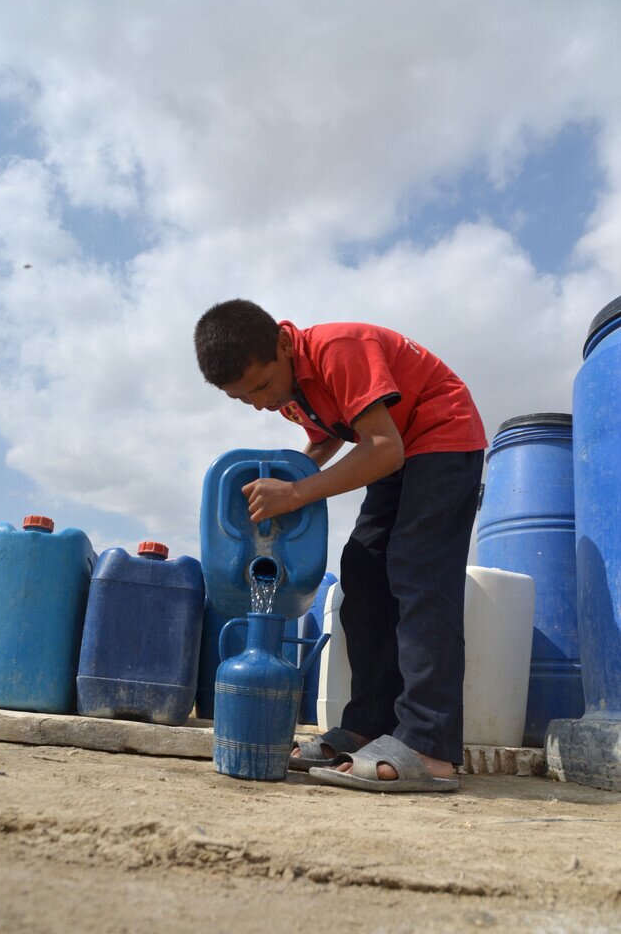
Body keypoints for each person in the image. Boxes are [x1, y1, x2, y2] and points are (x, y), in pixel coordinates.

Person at [194, 299, 486, 793]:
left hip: (442, 435)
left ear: (285, 345)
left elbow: (384, 447)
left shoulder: (339, 350)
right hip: (400, 448)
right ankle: (369, 725)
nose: (262, 404)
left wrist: (297, 492)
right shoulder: (290, 387)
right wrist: (288, 483)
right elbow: (325, 437)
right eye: (246, 400)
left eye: (262, 386)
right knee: (364, 572)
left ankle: (430, 745)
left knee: (419, 572)